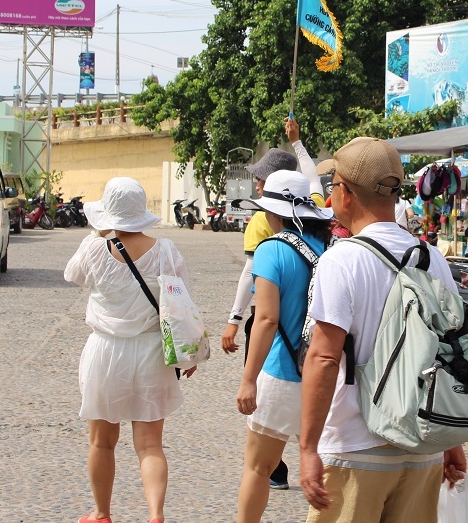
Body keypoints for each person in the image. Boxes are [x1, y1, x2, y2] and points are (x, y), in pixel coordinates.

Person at [299, 136, 466, 522]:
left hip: (356, 447)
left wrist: (308, 448)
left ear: (345, 194)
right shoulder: (433, 259)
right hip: (423, 446)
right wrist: (451, 441)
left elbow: (323, 358)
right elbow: (450, 351)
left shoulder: (342, 260)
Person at [64, 177, 197, 523]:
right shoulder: (166, 250)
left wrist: (97, 233)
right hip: (153, 351)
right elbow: (182, 303)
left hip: (106, 351)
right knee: (150, 444)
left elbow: (72, 275)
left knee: (101, 442)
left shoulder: (95, 248)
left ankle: (102, 513)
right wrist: (187, 351)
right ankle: (155, 514)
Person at [222, 116, 324, 489]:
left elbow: (255, 293)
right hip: (323, 359)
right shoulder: (322, 228)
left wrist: (234, 320)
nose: (258, 186)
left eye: (262, 181)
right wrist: (297, 142)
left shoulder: (266, 230)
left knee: (256, 464)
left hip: (282, 351)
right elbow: (313, 178)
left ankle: (277, 471)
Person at [233, 170, 333, 523]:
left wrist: (248, 379)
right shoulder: (331, 248)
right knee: (328, 470)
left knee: (258, 468)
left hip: (282, 374)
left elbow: (266, 320)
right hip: (327, 378)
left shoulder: (271, 250)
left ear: (272, 212)